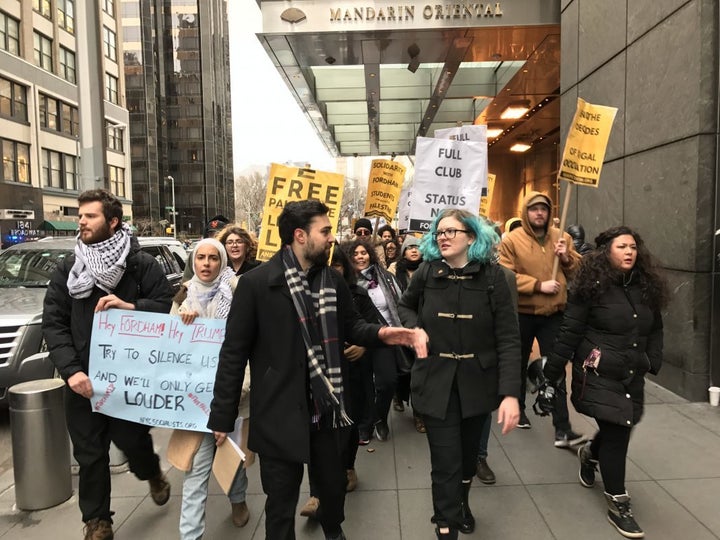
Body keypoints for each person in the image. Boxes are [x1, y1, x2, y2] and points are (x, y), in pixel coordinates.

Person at [207, 200, 426, 540]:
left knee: (332, 491)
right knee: (279, 505)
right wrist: (222, 417)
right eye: (324, 232)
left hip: (327, 412)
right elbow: (233, 354)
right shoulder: (256, 284)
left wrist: (386, 333)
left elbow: (352, 326)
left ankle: (333, 530)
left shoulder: (334, 282)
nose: (331, 239)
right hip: (278, 413)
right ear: (299, 235)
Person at [42, 189, 173, 540]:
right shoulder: (69, 268)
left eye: (90, 216)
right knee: (90, 454)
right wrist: (72, 371)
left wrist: (130, 306)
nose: (81, 221)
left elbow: (165, 308)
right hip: (82, 381)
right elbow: (53, 323)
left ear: (112, 222)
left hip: (128, 379)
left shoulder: (140, 264)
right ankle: (97, 520)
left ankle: (152, 473)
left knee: (132, 441)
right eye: (80, 215)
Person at [398, 209, 521, 540]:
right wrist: (414, 330)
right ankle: (445, 523)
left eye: (451, 231)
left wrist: (511, 394)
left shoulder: (495, 277)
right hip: (435, 380)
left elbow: (509, 338)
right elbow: (405, 306)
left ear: (472, 236)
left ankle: (461, 501)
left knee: (468, 459)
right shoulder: (426, 271)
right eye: (439, 232)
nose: (443, 237)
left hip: (477, 383)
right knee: (445, 461)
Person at [542, 226, 667, 539]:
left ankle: (588, 454)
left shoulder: (646, 286)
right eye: (622, 246)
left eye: (633, 247)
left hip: (631, 374)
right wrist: (551, 375)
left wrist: (651, 361)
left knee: (621, 424)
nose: (629, 252)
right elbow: (569, 331)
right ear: (606, 251)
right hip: (596, 372)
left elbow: (655, 330)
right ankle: (618, 502)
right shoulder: (590, 287)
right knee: (617, 432)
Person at [167, 238, 252, 538]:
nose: (205, 264)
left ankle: (238, 499)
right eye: (200, 258)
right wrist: (183, 320)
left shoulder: (238, 292)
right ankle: (190, 535)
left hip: (231, 396)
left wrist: (234, 398)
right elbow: (170, 348)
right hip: (195, 401)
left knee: (232, 458)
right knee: (195, 473)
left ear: (222, 262)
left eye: (213, 258)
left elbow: (247, 346)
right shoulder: (183, 296)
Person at [498, 191, 584, 445]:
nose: (539, 213)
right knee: (518, 361)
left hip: (553, 315)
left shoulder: (562, 238)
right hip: (522, 313)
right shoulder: (512, 240)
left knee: (555, 370)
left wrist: (567, 257)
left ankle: (562, 427)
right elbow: (506, 276)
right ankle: (519, 408)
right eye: (534, 209)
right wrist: (537, 285)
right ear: (526, 212)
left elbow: (579, 270)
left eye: (543, 209)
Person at [347, 238, 405, 442]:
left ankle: (379, 417)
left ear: (370, 255)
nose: (360, 257)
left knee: (387, 381)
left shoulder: (386, 278)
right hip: (359, 339)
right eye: (355, 253)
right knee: (363, 387)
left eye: (363, 253)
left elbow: (400, 303)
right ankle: (365, 424)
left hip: (384, 336)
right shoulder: (347, 282)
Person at [387, 235, 425, 432]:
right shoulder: (394, 271)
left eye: (416, 247)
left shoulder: (429, 269)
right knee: (404, 369)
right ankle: (398, 394)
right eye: (409, 247)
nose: (413, 250)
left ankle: (419, 414)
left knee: (420, 373)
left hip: (424, 327)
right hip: (400, 326)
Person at [183, 215, 229, 280]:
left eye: (218, 234)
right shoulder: (195, 254)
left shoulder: (231, 253)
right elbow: (186, 280)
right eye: (211, 234)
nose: (214, 237)